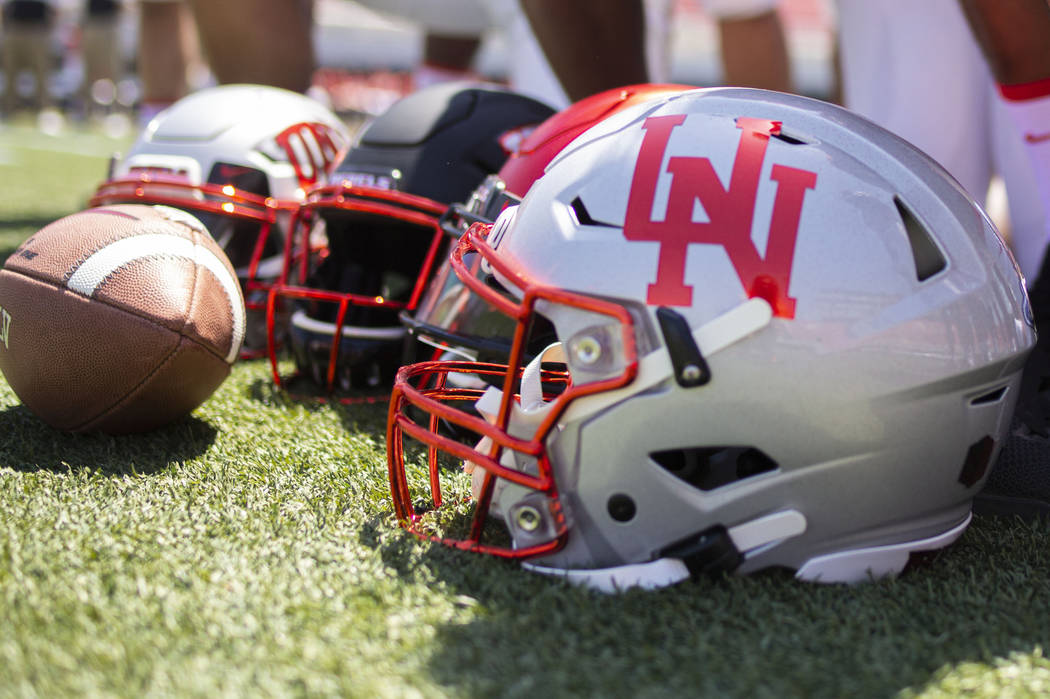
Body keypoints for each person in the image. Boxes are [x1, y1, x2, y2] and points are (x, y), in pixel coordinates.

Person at [1, 0, 55, 115]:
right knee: (10, 72)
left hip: (37, 31)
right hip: (15, 29)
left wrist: (47, 33)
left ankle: (43, 108)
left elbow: (52, 10)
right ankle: (9, 108)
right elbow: (5, 8)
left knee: (42, 73)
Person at [79, 0, 122, 116]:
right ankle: (88, 109)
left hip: (109, 23)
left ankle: (115, 109)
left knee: (111, 69)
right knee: (91, 69)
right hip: (91, 22)